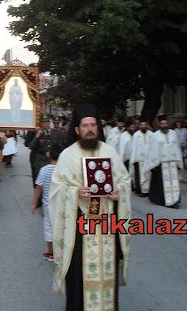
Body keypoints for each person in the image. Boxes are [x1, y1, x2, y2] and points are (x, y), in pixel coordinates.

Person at [49, 104, 131, 310]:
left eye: (93, 125)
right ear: (77, 130)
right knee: (79, 277)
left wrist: (118, 191)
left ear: (98, 127)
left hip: (107, 228)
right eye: (85, 125)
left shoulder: (110, 152)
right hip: (79, 229)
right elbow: (57, 189)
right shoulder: (68, 155)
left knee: (107, 271)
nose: (90, 129)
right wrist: (75, 192)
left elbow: (124, 180)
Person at [31, 142, 62, 262]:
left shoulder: (44, 170)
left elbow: (39, 187)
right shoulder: (63, 170)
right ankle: (62, 251)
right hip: (61, 203)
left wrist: (34, 203)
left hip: (48, 204)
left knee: (49, 227)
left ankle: (51, 252)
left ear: (49, 155)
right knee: (61, 226)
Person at [145, 118, 182, 208]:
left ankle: (174, 200)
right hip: (161, 163)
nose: (164, 125)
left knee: (174, 183)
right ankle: (163, 201)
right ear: (159, 125)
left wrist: (178, 162)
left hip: (172, 162)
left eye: (166, 124)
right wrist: (153, 164)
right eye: (162, 124)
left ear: (168, 124)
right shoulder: (155, 135)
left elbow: (177, 146)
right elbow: (152, 150)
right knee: (161, 184)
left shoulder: (173, 133)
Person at [29, 113, 63, 207]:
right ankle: (39, 200)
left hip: (51, 161)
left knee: (51, 182)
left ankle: (49, 200)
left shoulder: (55, 133)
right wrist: (37, 136)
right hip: (40, 160)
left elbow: (59, 147)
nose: (46, 124)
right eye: (43, 122)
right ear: (41, 123)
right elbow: (31, 147)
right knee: (39, 182)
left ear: (50, 122)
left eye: (47, 122)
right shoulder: (37, 133)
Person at [130, 120, 154, 196]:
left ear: (146, 125)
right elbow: (134, 148)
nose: (143, 126)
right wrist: (134, 158)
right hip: (139, 159)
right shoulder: (136, 135)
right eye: (142, 125)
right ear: (140, 126)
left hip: (149, 158)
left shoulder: (151, 134)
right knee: (140, 175)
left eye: (144, 125)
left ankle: (149, 190)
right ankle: (141, 191)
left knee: (149, 175)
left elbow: (154, 146)